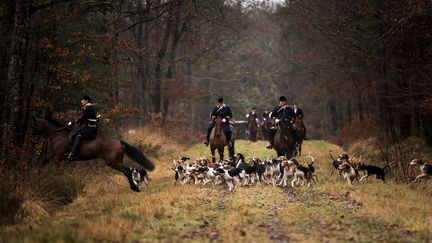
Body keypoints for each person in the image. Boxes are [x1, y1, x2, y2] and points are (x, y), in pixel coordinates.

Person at [65, 95, 98, 160]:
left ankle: (72, 153)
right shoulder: (90, 107)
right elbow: (86, 119)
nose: (81, 101)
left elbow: (82, 118)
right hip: (91, 128)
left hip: (90, 130)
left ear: (86, 101)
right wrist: (78, 123)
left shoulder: (88, 108)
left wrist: (72, 123)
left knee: (79, 135)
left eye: (82, 100)